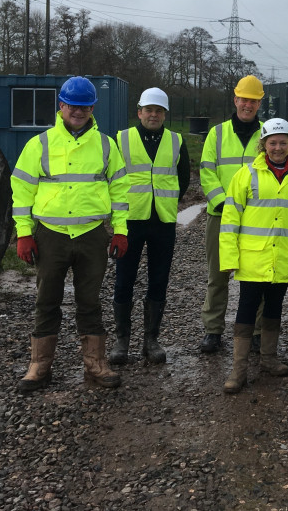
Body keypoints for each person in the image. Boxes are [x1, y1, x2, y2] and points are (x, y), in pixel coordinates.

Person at [11, 75, 129, 393]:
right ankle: (39, 366)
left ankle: (95, 364)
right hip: (50, 234)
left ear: (92, 107)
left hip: (91, 234)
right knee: (46, 300)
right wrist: (24, 233)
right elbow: (21, 192)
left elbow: (120, 189)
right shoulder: (40, 145)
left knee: (89, 302)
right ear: (61, 106)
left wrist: (120, 231)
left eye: (84, 106)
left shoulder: (106, 145)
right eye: (72, 105)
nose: (78, 111)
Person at [219, 118, 288, 393]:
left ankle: (268, 359)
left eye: (283, 142)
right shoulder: (245, 175)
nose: (278, 148)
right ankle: (238, 370)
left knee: (275, 308)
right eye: (272, 143)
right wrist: (228, 259)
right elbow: (230, 219)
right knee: (246, 309)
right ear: (263, 145)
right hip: (253, 257)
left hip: (285, 257)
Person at [109, 87, 191, 366]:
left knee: (159, 280)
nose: (153, 114)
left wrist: (167, 203)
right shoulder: (121, 139)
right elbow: (113, 178)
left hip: (163, 222)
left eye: (159, 111)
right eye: (149, 110)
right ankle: (122, 341)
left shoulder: (176, 140)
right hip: (130, 221)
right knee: (124, 280)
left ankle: (150, 340)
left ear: (165, 114)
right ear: (139, 112)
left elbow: (183, 178)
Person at [199, 75, 264, 353]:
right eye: (243, 99)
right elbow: (207, 170)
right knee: (218, 276)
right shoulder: (217, 133)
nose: (247, 105)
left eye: (253, 100)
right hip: (222, 216)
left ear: (259, 103)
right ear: (235, 100)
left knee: (258, 276)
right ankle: (213, 331)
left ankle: (258, 332)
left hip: (256, 218)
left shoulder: (267, 135)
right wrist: (224, 204)